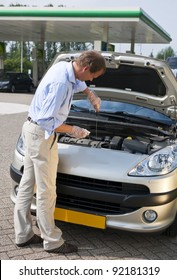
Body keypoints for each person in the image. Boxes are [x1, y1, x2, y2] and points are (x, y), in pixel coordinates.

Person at [14, 50, 106, 254]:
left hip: (30, 130)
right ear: (85, 68)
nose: (91, 80)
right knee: (47, 190)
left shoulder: (64, 67)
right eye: (93, 76)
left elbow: (79, 83)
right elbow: (47, 121)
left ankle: (23, 235)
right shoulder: (61, 84)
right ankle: (52, 241)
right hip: (41, 135)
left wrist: (91, 94)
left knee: (27, 184)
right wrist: (75, 130)